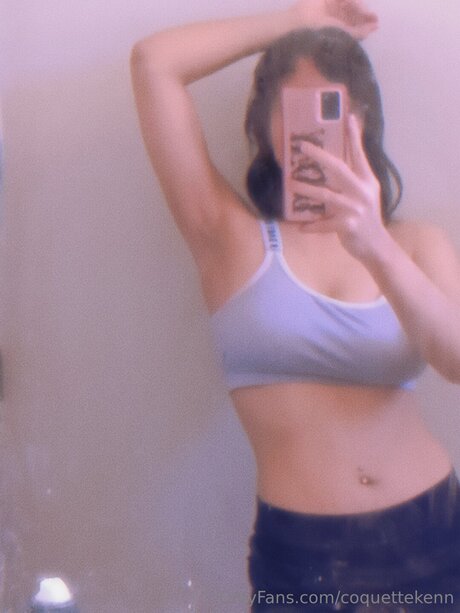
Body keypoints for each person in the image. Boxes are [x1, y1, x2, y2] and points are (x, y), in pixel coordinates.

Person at [130, 1, 460, 610]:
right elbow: (154, 63)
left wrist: (375, 245)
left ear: (361, 121)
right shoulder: (228, 237)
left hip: (433, 533)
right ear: (264, 126)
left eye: (331, 110)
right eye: (295, 111)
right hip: (303, 556)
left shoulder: (415, 243)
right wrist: (297, 18)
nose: (313, 133)